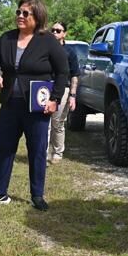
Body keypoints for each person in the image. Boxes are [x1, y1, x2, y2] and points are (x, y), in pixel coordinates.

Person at [0, 0, 68, 211]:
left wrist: (55, 99)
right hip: (10, 104)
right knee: (4, 148)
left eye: (26, 13)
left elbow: (63, 72)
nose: (20, 16)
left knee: (36, 150)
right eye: (19, 12)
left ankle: (37, 195)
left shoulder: (48, 41)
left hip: (37, 107)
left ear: (38, 17)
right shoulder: (7, 38)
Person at [46, 21, 79, 165]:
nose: (54, 32)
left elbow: (74, 76)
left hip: (63, 90)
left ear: (64, 33)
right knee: (44, 123)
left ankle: (58, 152)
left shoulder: (70, 52)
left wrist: (72, 96)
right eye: (52, 30)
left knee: (57, 123)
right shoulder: (44, 49)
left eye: (58, 30)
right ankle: (43, 154)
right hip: (45, 88)